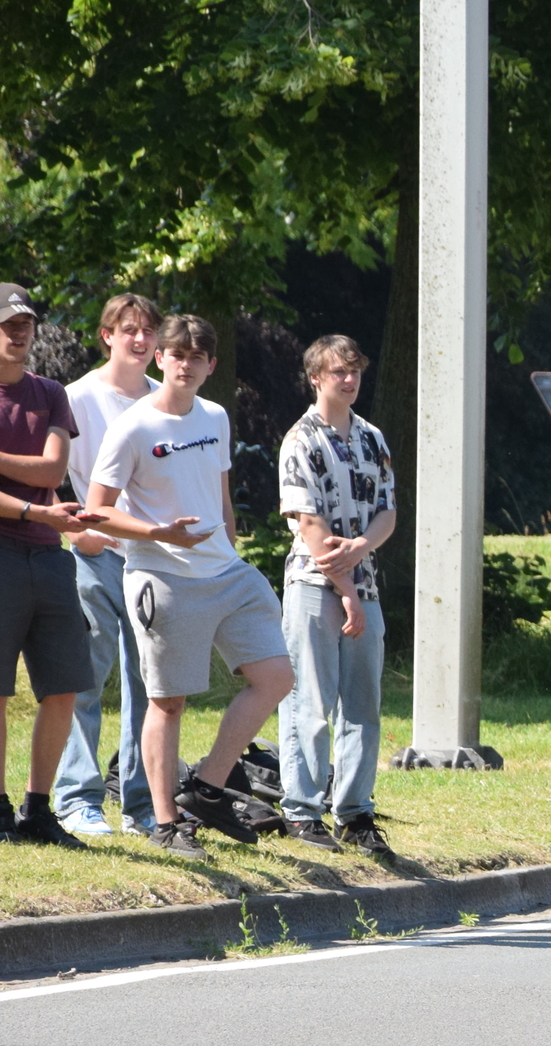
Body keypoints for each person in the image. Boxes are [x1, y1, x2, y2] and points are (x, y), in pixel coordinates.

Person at [84, 313, 292, 857]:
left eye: (197, 356)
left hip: (225, 570)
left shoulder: (216, 416)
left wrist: (231, 544)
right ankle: (166, 822)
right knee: (168, 701)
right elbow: (95, 511)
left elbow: (219, 493)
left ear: (211, 365)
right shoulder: (133, 425)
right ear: (161, 358)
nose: (186, 363)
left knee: (275, 676)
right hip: (162, 574)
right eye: (177, 354)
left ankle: (206, 788)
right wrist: (156, 532)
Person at [272, 335, 398, 857]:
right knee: (309, 701)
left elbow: (388, 511)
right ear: (315, 378)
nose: (348, 380)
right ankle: (302, 811)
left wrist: (364, 546)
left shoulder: (372, 438)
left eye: (355, 371)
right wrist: (344, 588)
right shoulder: (300, 439)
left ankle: (354, 811)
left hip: (363, 583)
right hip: (312, 585)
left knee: (363, 703)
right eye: (337, 372)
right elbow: (309, 523)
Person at [0, 281, 112, 847]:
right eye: (7, 324)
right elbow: (37, 482)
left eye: (25, 324)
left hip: (49, 553)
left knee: (65, 686)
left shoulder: (49, 394)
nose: (19, 333)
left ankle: (37, 810)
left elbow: (51, 473)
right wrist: (29, 509)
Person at [54, 291, 159, 835]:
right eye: (129, 329)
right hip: (94, 559)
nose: (139, 340)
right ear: (107, 335)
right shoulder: (77, 398)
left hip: (154, 561)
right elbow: (49, 478)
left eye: (147, 331)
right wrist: (77, 529)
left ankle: (140, 803)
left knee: (152, 684)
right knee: (85, 678)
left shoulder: (167, 399)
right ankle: (77, 799)